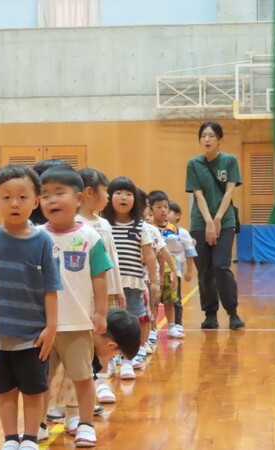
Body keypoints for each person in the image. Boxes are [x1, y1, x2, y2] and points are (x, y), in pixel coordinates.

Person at [0, 164, 62, 450]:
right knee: (5, 390)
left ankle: (30, 438)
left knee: (34, 390)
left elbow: (51, 288)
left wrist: (51, 327)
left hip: (34, 336)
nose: (14, 203)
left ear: (36, 201)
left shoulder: (43, 242)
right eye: (6, 197)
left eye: (23, 197)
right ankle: (10, 438)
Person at [38, 167, 113, 447]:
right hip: (42, 327)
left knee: (83, 377)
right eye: (45, 195)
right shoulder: (36, 236)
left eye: (59, 193)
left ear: (79, 198)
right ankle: (38, 424)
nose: (52, 200)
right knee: (41, 380)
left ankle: (85, 424)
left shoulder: (90, 237)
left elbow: (99, 276)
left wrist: (101, 312)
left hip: (78, 324)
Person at [185, 121, 245, 330]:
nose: (207, 139)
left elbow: (229, 191)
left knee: (221, 265)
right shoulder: (193, 164)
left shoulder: (230, 161)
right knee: (204, 270)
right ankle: (210, 313)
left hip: (225, 221)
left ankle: (232, 312)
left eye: (211, 135)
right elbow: (198, 195)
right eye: (203, 136)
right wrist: (209, 222)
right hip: (200, 223)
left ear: (219, 139)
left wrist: (218, 219)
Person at [101, 177, 159, 380]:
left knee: (134, 322)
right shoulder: (103, 225)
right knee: (107, 324)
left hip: (133, 283)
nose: (123, 197)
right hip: (109, 284)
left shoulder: (141, 226)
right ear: (109, 197)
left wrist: (154, 282)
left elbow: (149, 255)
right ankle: (108, 361)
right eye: (118, 193)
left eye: (128, 193)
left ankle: (128, 361)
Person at [76, 167, 125, 403]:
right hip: (86, 294)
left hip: (109, 291)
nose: (108, 196)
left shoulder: (104, 224)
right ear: (88, 192)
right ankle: (81, 387)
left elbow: (112, 261)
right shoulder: (76, 224)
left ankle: (102, 382)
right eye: (104, 191)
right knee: (85, 341)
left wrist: (119, 288)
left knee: (106, 337)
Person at [147, 190, 182, 339]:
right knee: (153, 301)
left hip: (169, 270)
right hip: (154, 271)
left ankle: (172, 327)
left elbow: (175, 250)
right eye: (159, 207)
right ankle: (152, 328)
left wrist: (176, 270)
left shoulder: (173, 228)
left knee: (170, 300)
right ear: (150, 209)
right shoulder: (148, 229)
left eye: (166, 207)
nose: (163, 210)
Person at [167, 200, 198, 329]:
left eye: (168, 211)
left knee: (175, 299)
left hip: (176, 272)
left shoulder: (182, 233)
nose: (165, 213)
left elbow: (190, 252)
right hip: (159, 272)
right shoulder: (156, 230)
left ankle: (178, 324)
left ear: (177, 215)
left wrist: (189, 271)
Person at [30, 159, 74, 226]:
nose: (54, 200)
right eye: (46, 195)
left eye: (60, 193)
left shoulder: (81, 227)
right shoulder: (28, 227)